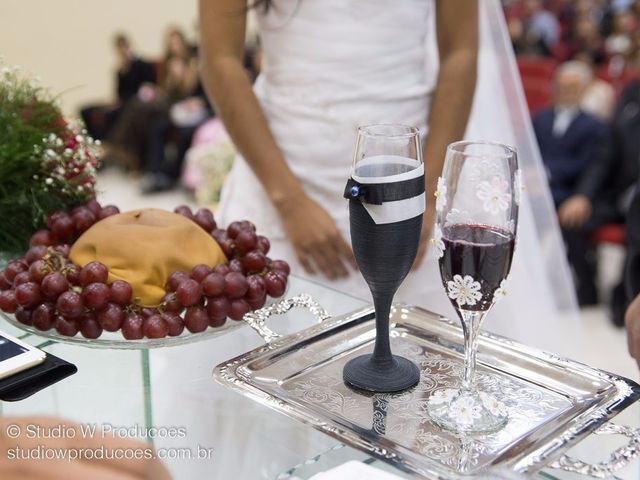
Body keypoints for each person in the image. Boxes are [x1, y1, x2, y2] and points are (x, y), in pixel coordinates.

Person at [533, 61, 608, 306]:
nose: (566, 92)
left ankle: (585, 287)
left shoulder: (595, 126)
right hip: (539, 191)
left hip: (571, 193)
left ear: (584, 90)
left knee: (572, 222)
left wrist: (547, 172)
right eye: (562, 86)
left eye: (573, 87)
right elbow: (528, 151)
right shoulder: (541, 119)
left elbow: (590, 164)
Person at [80, 34, 155, 141]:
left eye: (123, 47)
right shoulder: (120, 69)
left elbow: (146, 90)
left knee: (111, 115)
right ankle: (93, 142)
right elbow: (119, 92)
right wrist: (121, 73)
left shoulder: (142, 65)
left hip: (133, 103)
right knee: (86, 110)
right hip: (120, 101)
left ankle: (108, 144)